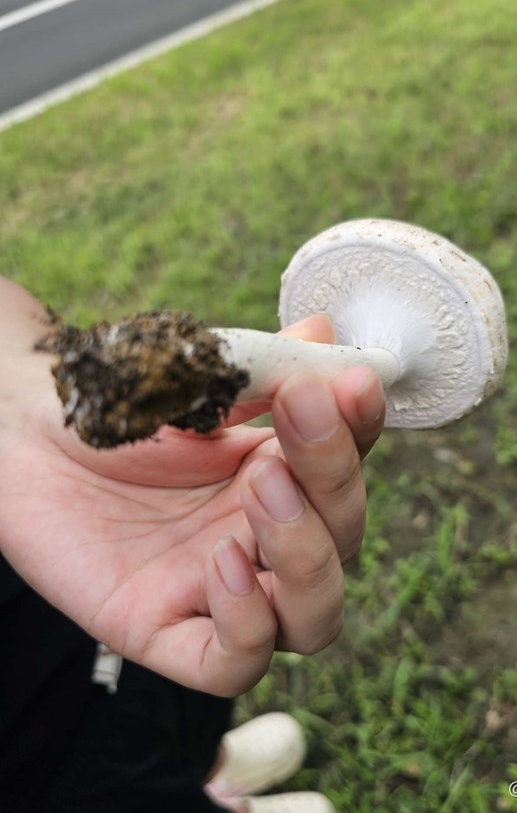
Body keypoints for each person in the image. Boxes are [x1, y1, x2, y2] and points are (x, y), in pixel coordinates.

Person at [0, 276, 385, 812]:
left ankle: (210, 765)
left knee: (153, 666)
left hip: (56, 561)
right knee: (86, 775)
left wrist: (17, 406)